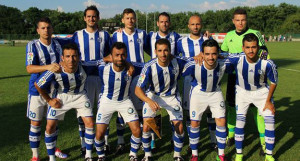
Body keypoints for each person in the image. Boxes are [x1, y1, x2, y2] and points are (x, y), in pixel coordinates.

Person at [34, 43, 95, 161]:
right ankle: (52, 158)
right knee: (50, 127)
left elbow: (102, 61)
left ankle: (88, 156)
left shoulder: (84, 65)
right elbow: (38, 84)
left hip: (80, 96)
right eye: (67, 56)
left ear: (78, 56)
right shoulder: (55, 69)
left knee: (90, 124)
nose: (71, 59)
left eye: (74, 56)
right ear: (62, 57)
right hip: (61, 97)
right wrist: (49, 100)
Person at [221, 8, 268, 155]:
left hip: (252, 77)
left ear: (246, 20)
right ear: (233, 21)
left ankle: (264, 143)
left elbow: (265, 52)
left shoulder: (255, 33)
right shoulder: (229, 36)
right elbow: (223, 54)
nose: (240, 23)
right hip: (234, 78)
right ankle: (231, 136)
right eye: (238, 20)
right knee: (231, 107)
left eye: (243, 20)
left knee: (257, 111)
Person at [136, 39, 192, 161]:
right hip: (153, 96)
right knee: (146, 127)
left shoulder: (177, 62)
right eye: (160, 51)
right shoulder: (149, 66)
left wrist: (202, 55)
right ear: (155, 52)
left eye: (166, 50)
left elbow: (193, 61)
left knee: (180, 127)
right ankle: (147, 155)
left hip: (172, 97)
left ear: (170, 51)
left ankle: (177, 155)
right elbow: (138, 90)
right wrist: (149, 101)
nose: (163, 54)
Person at [226, 33, 277, 161]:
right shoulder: (237, 58)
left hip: (262, 92)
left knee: (270, 121)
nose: (251, 50)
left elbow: (274, 82)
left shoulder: (267, 62)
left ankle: (269, 155)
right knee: (240, 122)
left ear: (258, 47)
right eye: (247, 47)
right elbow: (219, 56)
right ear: (243, 48)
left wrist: (269, 101)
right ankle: (239, 155)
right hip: (242, 93)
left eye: (253, 47)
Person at [26, 17, 68, 161]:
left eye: (48, 27)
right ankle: (35, 155)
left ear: (52, 29)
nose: (46, 30)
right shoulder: (32, 45)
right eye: (43, 28)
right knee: (36, 123)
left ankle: (53, 148)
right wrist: (48, 67)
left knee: (53, 124)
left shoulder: (58, 44)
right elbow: (29, 68)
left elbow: (76, 40)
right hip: (36, 91)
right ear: (38, 30)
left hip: (56, 90)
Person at [71, 5, 111, 155]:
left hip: (101, 79)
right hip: (83, 79)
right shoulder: (77, 35)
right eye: (88, 16)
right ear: (84, 18)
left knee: (103, 112)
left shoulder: (105, 35)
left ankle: (104, 143)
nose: (91, 19)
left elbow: (111, 54)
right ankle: (83, 144)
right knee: (83, 113)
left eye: (94, 16)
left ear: (98, 18)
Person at [182, 39, 230, 161]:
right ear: (202, 54)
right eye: (207, 54)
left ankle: (221, 154)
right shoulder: (194, 64)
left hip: (215, 93)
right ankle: (195, 154)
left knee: (221, 121)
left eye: (214, 53)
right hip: (198, 94)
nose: (211, 57)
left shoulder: (224, 62)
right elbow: (176, 60)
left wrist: (223, 55)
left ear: (218, 53)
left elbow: (239, 55)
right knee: (195, 123)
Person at [94, 42, 141, 161]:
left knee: (137, 130)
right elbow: (84, 63)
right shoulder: (102, 67)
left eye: (123, 55)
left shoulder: (131, 68)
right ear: (111, 56)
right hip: (106, 101)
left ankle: (133, 155)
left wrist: (129, 64)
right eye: (117, 55)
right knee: (99, 134)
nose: (120, 58)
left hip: (124, 101)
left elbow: (150, 65)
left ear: (126, 55)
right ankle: (101, 156)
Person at [177, 15, 217, 152]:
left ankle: (213, 140)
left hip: (208, 80)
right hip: (189, 81)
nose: (195, 27)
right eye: (192, 24)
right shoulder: (180, 42)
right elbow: (176, 58)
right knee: (189, 113)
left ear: (201, 25)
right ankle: (191, 143)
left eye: (198, 24)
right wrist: (191, 59)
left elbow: (218, 53)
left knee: (210, 112)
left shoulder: (208, 39)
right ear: (188, 26)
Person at [111, 8, 147, 153]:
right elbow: (111, 55)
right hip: (123, 75)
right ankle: (121, 142)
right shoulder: (116, 35)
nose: (130, 20)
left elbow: (153, 49)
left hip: (139, 76)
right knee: (121, 109)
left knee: (140, 110)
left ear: (135, 20)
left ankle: (144, 140)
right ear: (122, 20)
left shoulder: (142, 34)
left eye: (132, 18)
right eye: (127, 18)